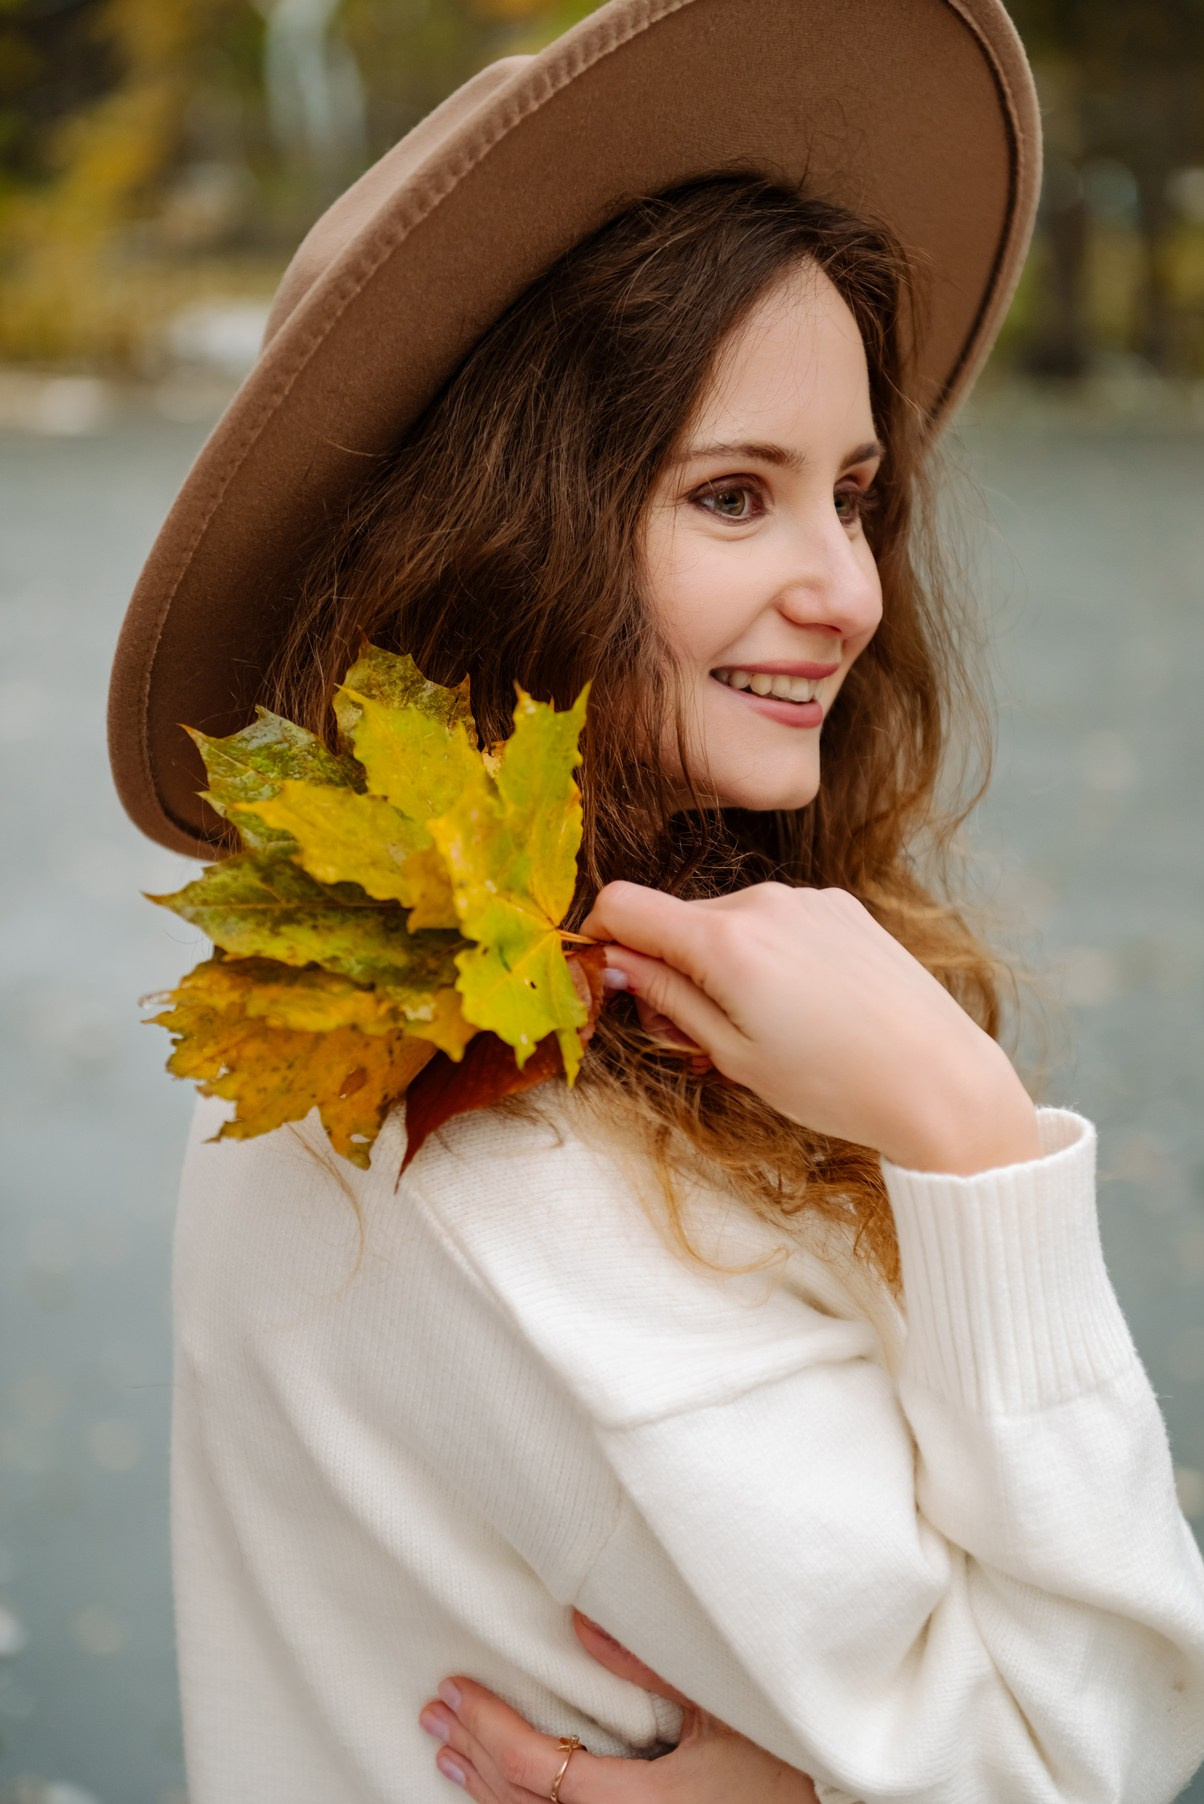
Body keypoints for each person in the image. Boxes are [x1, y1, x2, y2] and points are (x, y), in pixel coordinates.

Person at [105, 2, 1204, 1800]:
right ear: (503, 531)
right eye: (732, 495)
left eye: (854, 495)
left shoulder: (363, 1026)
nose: (847, 588)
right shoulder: (513, 1162)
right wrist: (976, 1141)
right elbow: (1099, 1758)